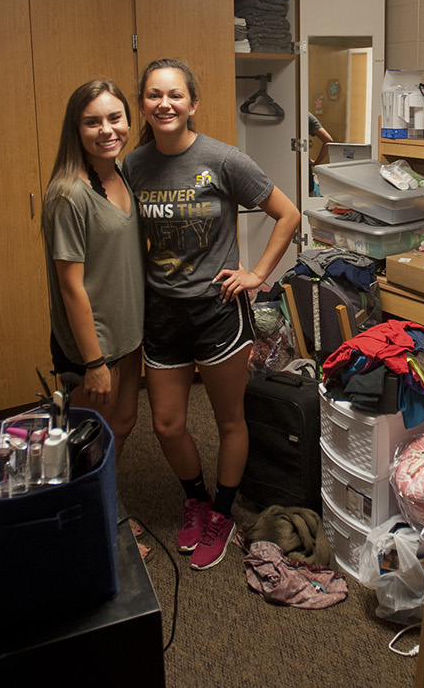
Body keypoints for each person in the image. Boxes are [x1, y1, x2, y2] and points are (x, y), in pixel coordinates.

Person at [125, 59, 300, 571]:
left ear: (192, 103)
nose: (165, 103)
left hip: (218, 310)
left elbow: (288, 213)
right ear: (143, 105)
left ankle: (221, 514)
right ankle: (196, 500)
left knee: (228, 420)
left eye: (175, 95)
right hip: (162, 313)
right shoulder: (133, 166)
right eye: (154, 95)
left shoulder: (223, 160)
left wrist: (257, 274)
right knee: (166, 424)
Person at [41, 80, 147, 554]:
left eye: (114, 118)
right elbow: (71, 286)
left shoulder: (120, 174)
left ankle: (105, 509)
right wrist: (94, 362)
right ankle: (88, 534)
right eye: (93, 121)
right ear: (76, 128)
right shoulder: (69, 194)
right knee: (87, 443)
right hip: (94, 347)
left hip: (128, 334)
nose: (107, 130)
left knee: (122, 424)